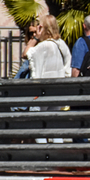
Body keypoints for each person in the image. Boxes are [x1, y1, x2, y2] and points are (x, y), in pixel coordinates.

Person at [23, 14, 72, 143]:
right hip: (59, 91)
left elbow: (26, 53)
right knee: (55, 126)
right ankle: (56, 155)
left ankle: (43, 154)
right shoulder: (62, 45)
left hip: (42, 92)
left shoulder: (42, 47)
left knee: (38, 124)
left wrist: (35, 38)